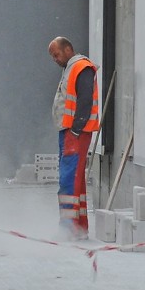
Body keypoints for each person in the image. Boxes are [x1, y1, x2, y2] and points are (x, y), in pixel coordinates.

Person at [48, 36, 99, 240]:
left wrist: (76, 129)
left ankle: (68, 228)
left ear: (68, 49)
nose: (55, 59)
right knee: (75, 179)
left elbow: (85, 100)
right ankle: (79, 227)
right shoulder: (71, 67)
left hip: (74, 132)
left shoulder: (81, 67)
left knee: (68, 178)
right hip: (71, 131)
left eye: (56, 54)